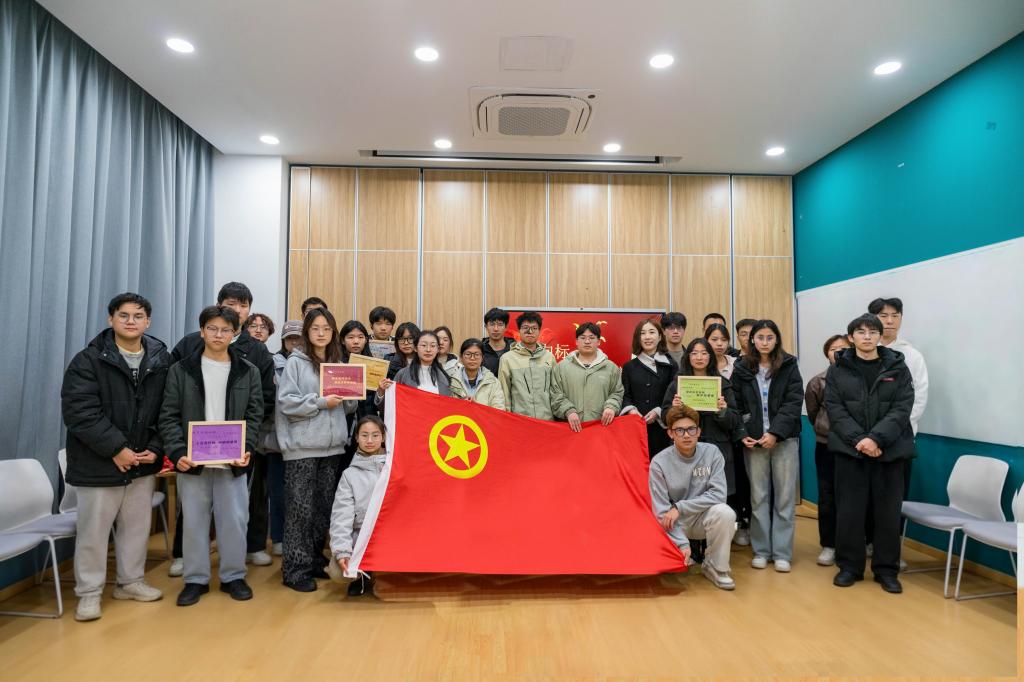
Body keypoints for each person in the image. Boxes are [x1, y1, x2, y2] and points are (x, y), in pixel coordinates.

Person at [60, 293, 169, 622]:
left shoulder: (161, 359)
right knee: (93, 534)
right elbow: (80, 412)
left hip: (141, 463)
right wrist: (116, 449)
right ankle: (89, 593)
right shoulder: (88, 360)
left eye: (138, 316)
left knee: (136, 528)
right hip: (98, 463)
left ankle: (130, 582)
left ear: (148, 321)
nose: (131, 321)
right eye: (124, 315)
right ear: (111, 319)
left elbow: (167, 410)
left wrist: (156, 447)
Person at [168, 282, 276, 576]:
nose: (236, 310)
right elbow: (170, 403)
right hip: (192, 451)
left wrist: (246, 443)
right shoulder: (187, 350)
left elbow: (261, 403)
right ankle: (189, 565)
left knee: (238, 511)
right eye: (230, 303)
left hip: (236, 450)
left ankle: (238, 567)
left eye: (243, 305)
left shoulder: (255, 355)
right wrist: (178, 447)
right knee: (193, 513)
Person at [159, 305, 263, 606]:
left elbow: (255, 415)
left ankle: (233, 576)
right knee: (193, 521)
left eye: (226, 330)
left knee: (234, 520)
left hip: (232, 461)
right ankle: (195, 579)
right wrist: (178, 451)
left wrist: (246, 448)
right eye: (212, 329)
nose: (219, 335)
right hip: (193, 461)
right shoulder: (181, 370)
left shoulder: (248, 371)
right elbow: (168, 415)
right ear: (202, 331)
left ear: (235, 333)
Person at [826, 314, 915, 594]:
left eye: (872, 332)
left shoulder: (898, 367)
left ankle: (886, 570)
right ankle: (849, 567)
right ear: (851, 337)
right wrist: (860, 440)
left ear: (879, 336)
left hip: (889, 451)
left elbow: (902, 407)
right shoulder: (838, 369)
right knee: (849, 513)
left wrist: (876, 438)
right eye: (861, 332)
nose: (867, 336)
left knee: (888, 514)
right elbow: (835, 409)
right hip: (850, 451)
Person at [275, 308, 355, 592]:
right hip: (303, 448)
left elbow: (348, 407)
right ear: (307, 332)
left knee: (323, 510)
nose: (321, 333)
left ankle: (313, 559)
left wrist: (351, 395)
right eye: (315, 328)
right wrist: (322, 401)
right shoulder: (295, 363)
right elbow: (286, 403)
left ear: (333, 332)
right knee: (300, 510)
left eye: (326, 328)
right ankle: (294, 570)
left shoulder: (338, 363)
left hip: (332, 448)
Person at [731, 319, 803, 572]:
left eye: (769, 337)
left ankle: (782, 553)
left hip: (784, 440)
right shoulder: (741, 367)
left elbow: (793, 403)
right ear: (752, 340)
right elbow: (735, 404)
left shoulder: (789, 365)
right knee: (758, 496)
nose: (764, 342)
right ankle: (761, 550)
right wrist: (743, 434)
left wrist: (775, 433)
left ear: (776, 339)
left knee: (784, 497)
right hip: (754, 442)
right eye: (759, 337)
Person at [649, 405, 737, 590]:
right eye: (679, 430)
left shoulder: (712, 453)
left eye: (691, 429)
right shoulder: (659, 462)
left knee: (726, 513)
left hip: (700, 518)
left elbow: (718, 495)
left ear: (698, 431)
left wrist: (680, 507)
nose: (686, 435)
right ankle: (676, 553)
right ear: (670, 434)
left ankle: (715, 567)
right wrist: (682, 543)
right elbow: (661, 511)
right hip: (673, 524)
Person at [662, 338, 743, 518]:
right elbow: (665, 416)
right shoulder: (677, 384)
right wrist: (674, 409)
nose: (699, 357)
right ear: (688, 357)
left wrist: (723, 411)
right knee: (686, 493)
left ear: (711, 357)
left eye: (704, 353)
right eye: (694, 353)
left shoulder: (723, 384)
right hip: (685, 448)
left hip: (718, 446)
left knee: (716, 498)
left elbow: (734, 421)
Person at [867, 297, 928, 491]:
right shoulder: (861, 352)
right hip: (865, 440)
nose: (890, 321)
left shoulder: (912, 356)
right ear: (872, 318)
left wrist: (890, 431)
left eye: (895, 316)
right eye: (883, 315)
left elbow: (919, 398)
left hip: (899, 439)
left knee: (895, 497)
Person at [804, 333, 852, 567]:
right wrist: (826, 429)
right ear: (827, 354)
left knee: (853, 495)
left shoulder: (860, 378)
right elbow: (813, 414)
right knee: (827, 495)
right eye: (834, 349)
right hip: (827, 445)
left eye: (844, 348)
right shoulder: (817, 382)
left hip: (854, 446)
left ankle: (855, 543)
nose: (839, 352)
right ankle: (829, 545)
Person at [328, 415, 388, 597]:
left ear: (383, 437)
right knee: (338, 572)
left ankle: (390, 575)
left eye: (375, 435)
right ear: (356, 438)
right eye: (364, 435)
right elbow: (341, 516)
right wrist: (342, 551)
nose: (369, 440)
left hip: (390, 533)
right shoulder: (349, 475)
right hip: (363, 536)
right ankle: (364, 574)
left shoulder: (394, 468)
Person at [261, 319, 304, 557]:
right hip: (276, 441)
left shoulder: (312, 364)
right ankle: (278, 537)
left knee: (300, 495)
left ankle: (297, 538)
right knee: (277, 493)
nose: (294, 343)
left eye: (298, 338)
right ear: (283, 341)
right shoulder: (272, 363)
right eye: (290, 339)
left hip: (304, 441)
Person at [550, 322, 624, 432]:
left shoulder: (611, 368)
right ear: (576, 341)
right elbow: (555, 394)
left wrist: (611, 407)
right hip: (570, 430)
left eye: (592, 338)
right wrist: (568, 411)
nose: (587, 341)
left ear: (598, 341)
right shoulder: (561, 367)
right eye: (583, 338)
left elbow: (617, 393)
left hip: (601, 429)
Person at [621, 319, 677, 458]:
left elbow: (675, 395)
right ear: (638, 338)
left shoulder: (671, 365)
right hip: (636, 428)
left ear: (660, 337)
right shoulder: (629, 367)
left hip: (662, 428)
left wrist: (658, 411)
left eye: (652, 332)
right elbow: (625, 395)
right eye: (643, 333)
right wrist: (631, 411)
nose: (647, 337)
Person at [497, 311, 557, 420]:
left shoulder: (549, 357)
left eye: (534, 328)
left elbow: (556, 391)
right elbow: (504, 394)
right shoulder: (507, 359)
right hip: (519, 422)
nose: (530, 331)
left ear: (539, 331)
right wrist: (506, 419)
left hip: (547, 421)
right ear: (519, 330)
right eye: (525, 327)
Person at [378, 330, 453, 400]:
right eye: (424, 345)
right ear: (415, 348)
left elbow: (447, 404)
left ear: (438, 349)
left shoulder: (444, 377)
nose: (428, 350)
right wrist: (381, 391)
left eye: (433, 346)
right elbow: (391, 403)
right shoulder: (403, 374)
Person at [449, 339, 505, 409]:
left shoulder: (493, 382)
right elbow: (446, 408)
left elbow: (499, 411)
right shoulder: (451, 381)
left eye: (477, 354)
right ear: (461, 357)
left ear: (482, 358)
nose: (472, 358)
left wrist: (477, 408)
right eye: (468, 354)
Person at [481, 307, 514, 376]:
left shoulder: (515, 349)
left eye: (500, 324)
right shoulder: (480, 350)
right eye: (492, 324)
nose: (496, 329)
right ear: (486, 327)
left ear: (506, 327)